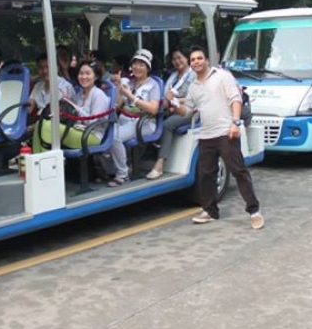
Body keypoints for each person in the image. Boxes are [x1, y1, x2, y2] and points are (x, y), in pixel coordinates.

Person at [176, 45, 264, 230]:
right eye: (192, 60)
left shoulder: (222, 76)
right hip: (206, 135)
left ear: (206, 60)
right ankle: (210, 211)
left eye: (199, 58)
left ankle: (254, 211)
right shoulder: (193, 86)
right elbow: (189, 111)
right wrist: (175, 105)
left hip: (226, 132)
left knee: (239, 171)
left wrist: (235, 123)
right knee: (206, 175)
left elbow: (235, 99)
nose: (196, 62)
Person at [105, 49, 161, 187]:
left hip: (145, 123)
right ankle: (112, 170)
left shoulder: (153, 85)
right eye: (135, 63)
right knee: (104, 133)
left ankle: (122, 174)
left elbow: (154, 109)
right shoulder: (128, 83)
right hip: (125, 120)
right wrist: (118, 87)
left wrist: (132, 97)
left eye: (142, 65)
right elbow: (119, 105)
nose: (137, 67)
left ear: (148, 68)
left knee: (114, 136)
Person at [146, 47, 196, 180]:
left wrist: (175, 100)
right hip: (171, 108)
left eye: (180, 57)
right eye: (174, 59)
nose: (177, 61)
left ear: (186, 58)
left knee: (167, 124)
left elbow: (194, 98)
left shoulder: (194, 75)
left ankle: (160, 163)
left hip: (190, 110)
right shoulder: (173, 76)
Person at [57, 61, 111, 149]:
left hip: (92, 135)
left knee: (48, 128)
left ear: (96, 76)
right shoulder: (79, 94)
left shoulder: (98, 95)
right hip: (78, 130)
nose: (83, 77)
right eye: (81, 73)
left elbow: (92, 122)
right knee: (46, 125)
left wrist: (74, 106)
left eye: (88, 73)